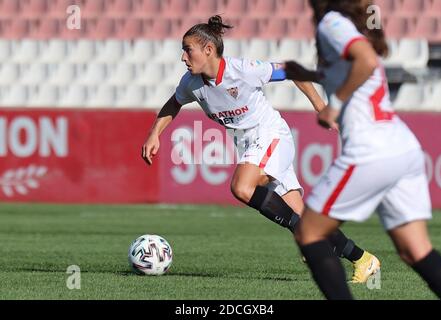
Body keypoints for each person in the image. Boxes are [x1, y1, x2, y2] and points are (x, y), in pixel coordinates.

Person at [142, 15, 380, 282]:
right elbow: (173, 103)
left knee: (241, 187)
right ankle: (364, 259)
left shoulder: (243, 70)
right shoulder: (191, 84)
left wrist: (320, 106)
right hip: (250, 146)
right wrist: (155, 134)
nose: (183, 57)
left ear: (208, 50)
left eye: (188, 50)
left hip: (271, 136)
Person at [283, 0, 441, 299]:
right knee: (415, 250)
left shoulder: (331, 22)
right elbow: (355, 68)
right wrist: (309, 75)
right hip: (401, 146)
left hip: (370, 149)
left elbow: (366, 62)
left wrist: (333, 107)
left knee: (309, 231)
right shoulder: (350, 25)